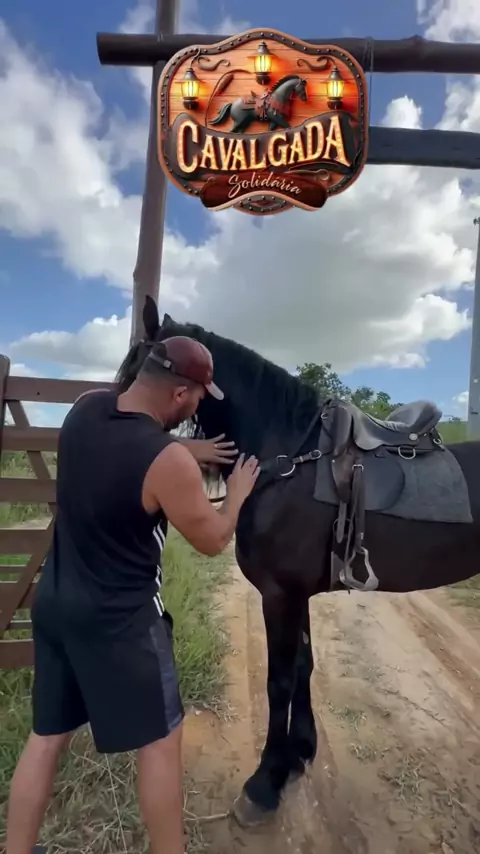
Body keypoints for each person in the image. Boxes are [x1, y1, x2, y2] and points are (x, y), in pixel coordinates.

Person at [6, 336, 260, 854]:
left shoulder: (85, 411)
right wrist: (234, 498)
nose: (197, 407)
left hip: (55, 605)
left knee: (47, 737)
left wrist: (185, 449)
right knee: (160, 744)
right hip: (123, 624)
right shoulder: (166, 461)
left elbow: (127, 430)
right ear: (180, 395)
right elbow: (212, 540)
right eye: (197, 398)